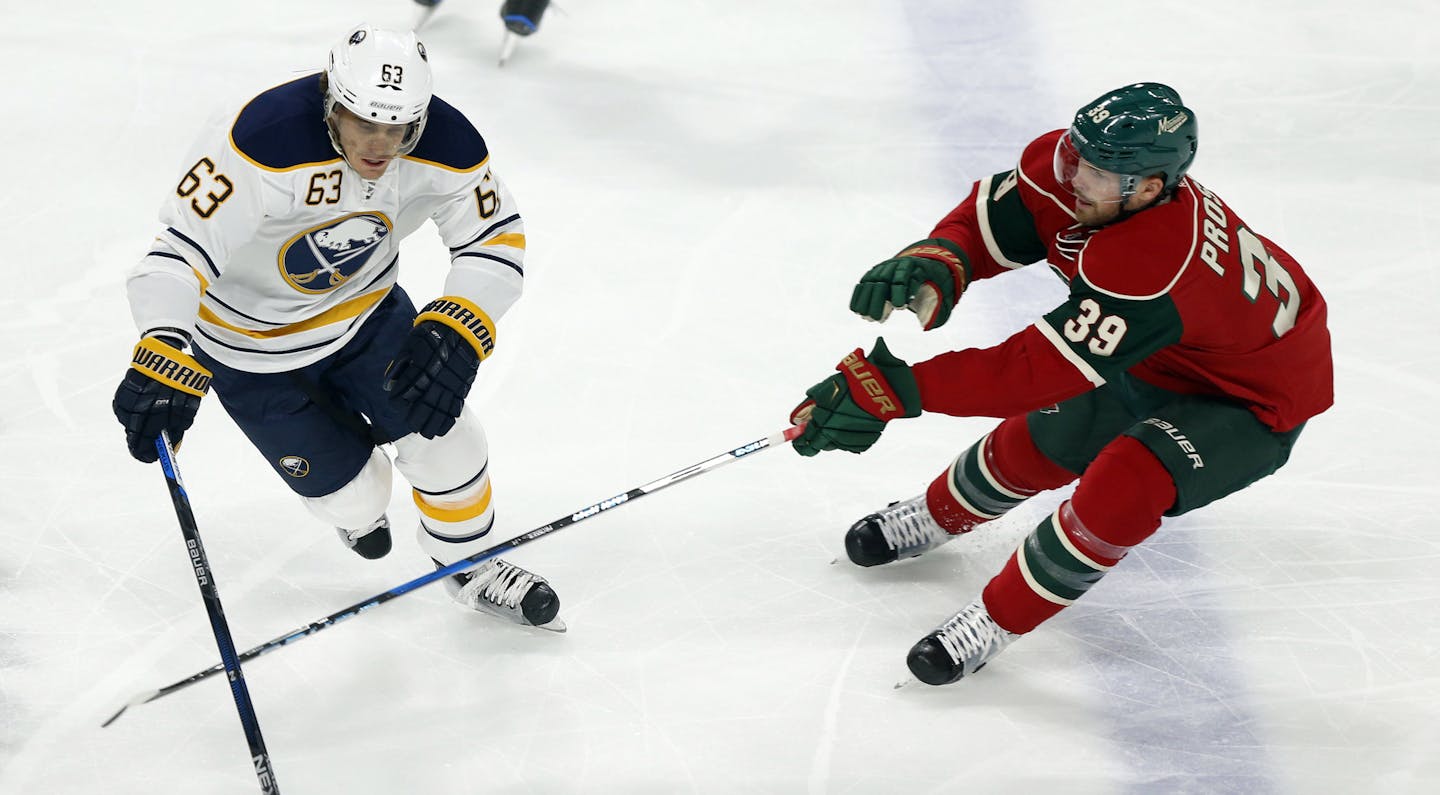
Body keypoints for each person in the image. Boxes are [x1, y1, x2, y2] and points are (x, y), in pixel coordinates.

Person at [788, 82, 1333, 685]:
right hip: (1164, 355)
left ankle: (995, 621)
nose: (1073, 178)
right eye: (1075, 157)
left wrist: (902, 390)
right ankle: (935, 515)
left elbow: (1030, 372)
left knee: (1124, 483)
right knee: (1047, 438)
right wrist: (945, 256)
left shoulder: (1152, 259)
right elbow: (996, 218)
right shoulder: (1083, 177)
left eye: (1095, 174)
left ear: (1149, 189)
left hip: (1247, 399)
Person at [112, 23, 563, 630]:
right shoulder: (260, 139)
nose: (381, 144)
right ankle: (356, 514)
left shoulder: (447, 143)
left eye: (399, 127)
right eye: (364, 123)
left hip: (367, 320)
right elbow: (177, 252)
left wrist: (462, 322)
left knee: (447, 443)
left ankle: (472, 565)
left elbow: (494, 235)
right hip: (248, 354)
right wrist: (163, 342)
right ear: (332, 101)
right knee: (354, 496)